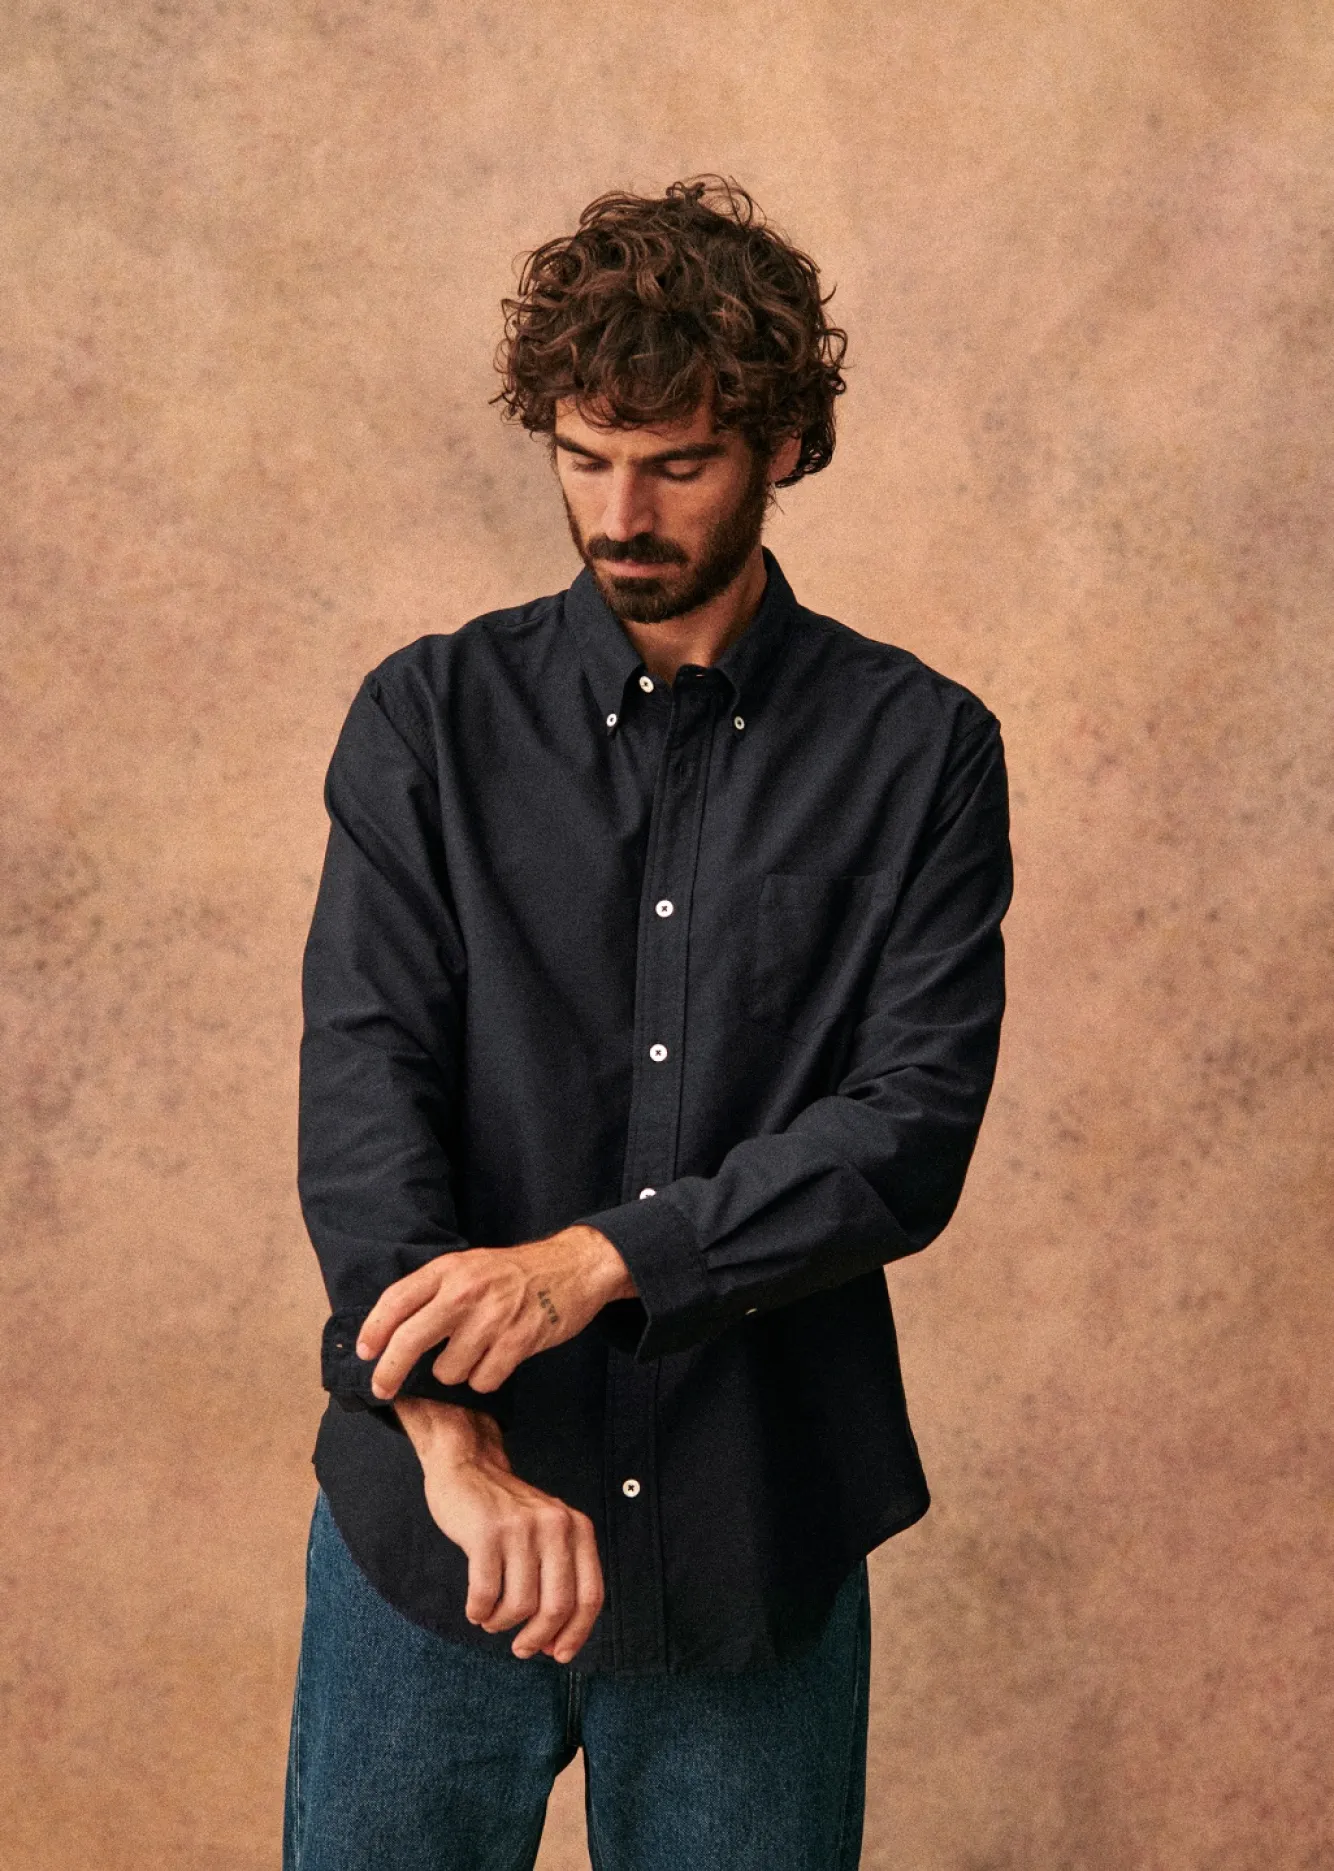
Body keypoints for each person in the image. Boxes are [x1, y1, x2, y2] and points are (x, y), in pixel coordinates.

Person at [285, 177, 1012, 1871]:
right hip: (432, 1540)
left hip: (751, 1533)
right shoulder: (425, 719)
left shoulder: (920, 751)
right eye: (582, 457)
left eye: (677, 465)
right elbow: (367, 1088)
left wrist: (595, 1262)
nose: (620, 514)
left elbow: (906, 1128)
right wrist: (448, 1436)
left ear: (782, 447)